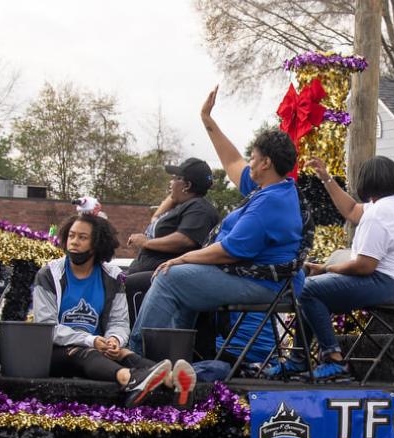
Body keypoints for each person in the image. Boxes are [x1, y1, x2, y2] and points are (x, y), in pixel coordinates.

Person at [128, 86, 304, 358]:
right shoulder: (270, 188)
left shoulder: (270, 202)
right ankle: (179, 359)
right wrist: (207, 120)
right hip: (257, 279)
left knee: (169, 277)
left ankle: (136, 355)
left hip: (266, 286)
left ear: (266, 163)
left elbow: (231, 251)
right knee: (184, 286)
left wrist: (183, 259)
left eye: (254, 159)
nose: (250, 163)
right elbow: (232, 160)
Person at [34, 212, 197, 406]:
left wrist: (114, 339)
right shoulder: (48, 274)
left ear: (96, 244)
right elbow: (47, 327)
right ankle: (129, 379)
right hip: (57, 351)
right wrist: (91, 340)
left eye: (82, 237)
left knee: (122, 353)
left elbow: (119, 322)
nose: (74, 242)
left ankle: (172, 380)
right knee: (85, 352)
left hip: (98, 348)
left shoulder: (113, 276)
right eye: (71, 235)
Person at [295, 155, 394, 380]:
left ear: (366, 182)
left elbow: (364, 266)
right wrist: (326, 178)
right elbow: (352, 210)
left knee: (308, 289)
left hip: (391, 283)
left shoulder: (379, 213)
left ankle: (333, 360)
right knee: (312, 289)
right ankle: (298, 360)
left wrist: (327, 269)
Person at [124, 158, 221, 310]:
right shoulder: (183, 206)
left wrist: (145, 242)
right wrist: (174, 195)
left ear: (187, 185)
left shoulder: (199, 208)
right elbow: (155, 218)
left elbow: (185, 240)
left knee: (123, 286)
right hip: (147, 271)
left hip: (165, 277)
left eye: (176, 179)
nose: (170, 182)